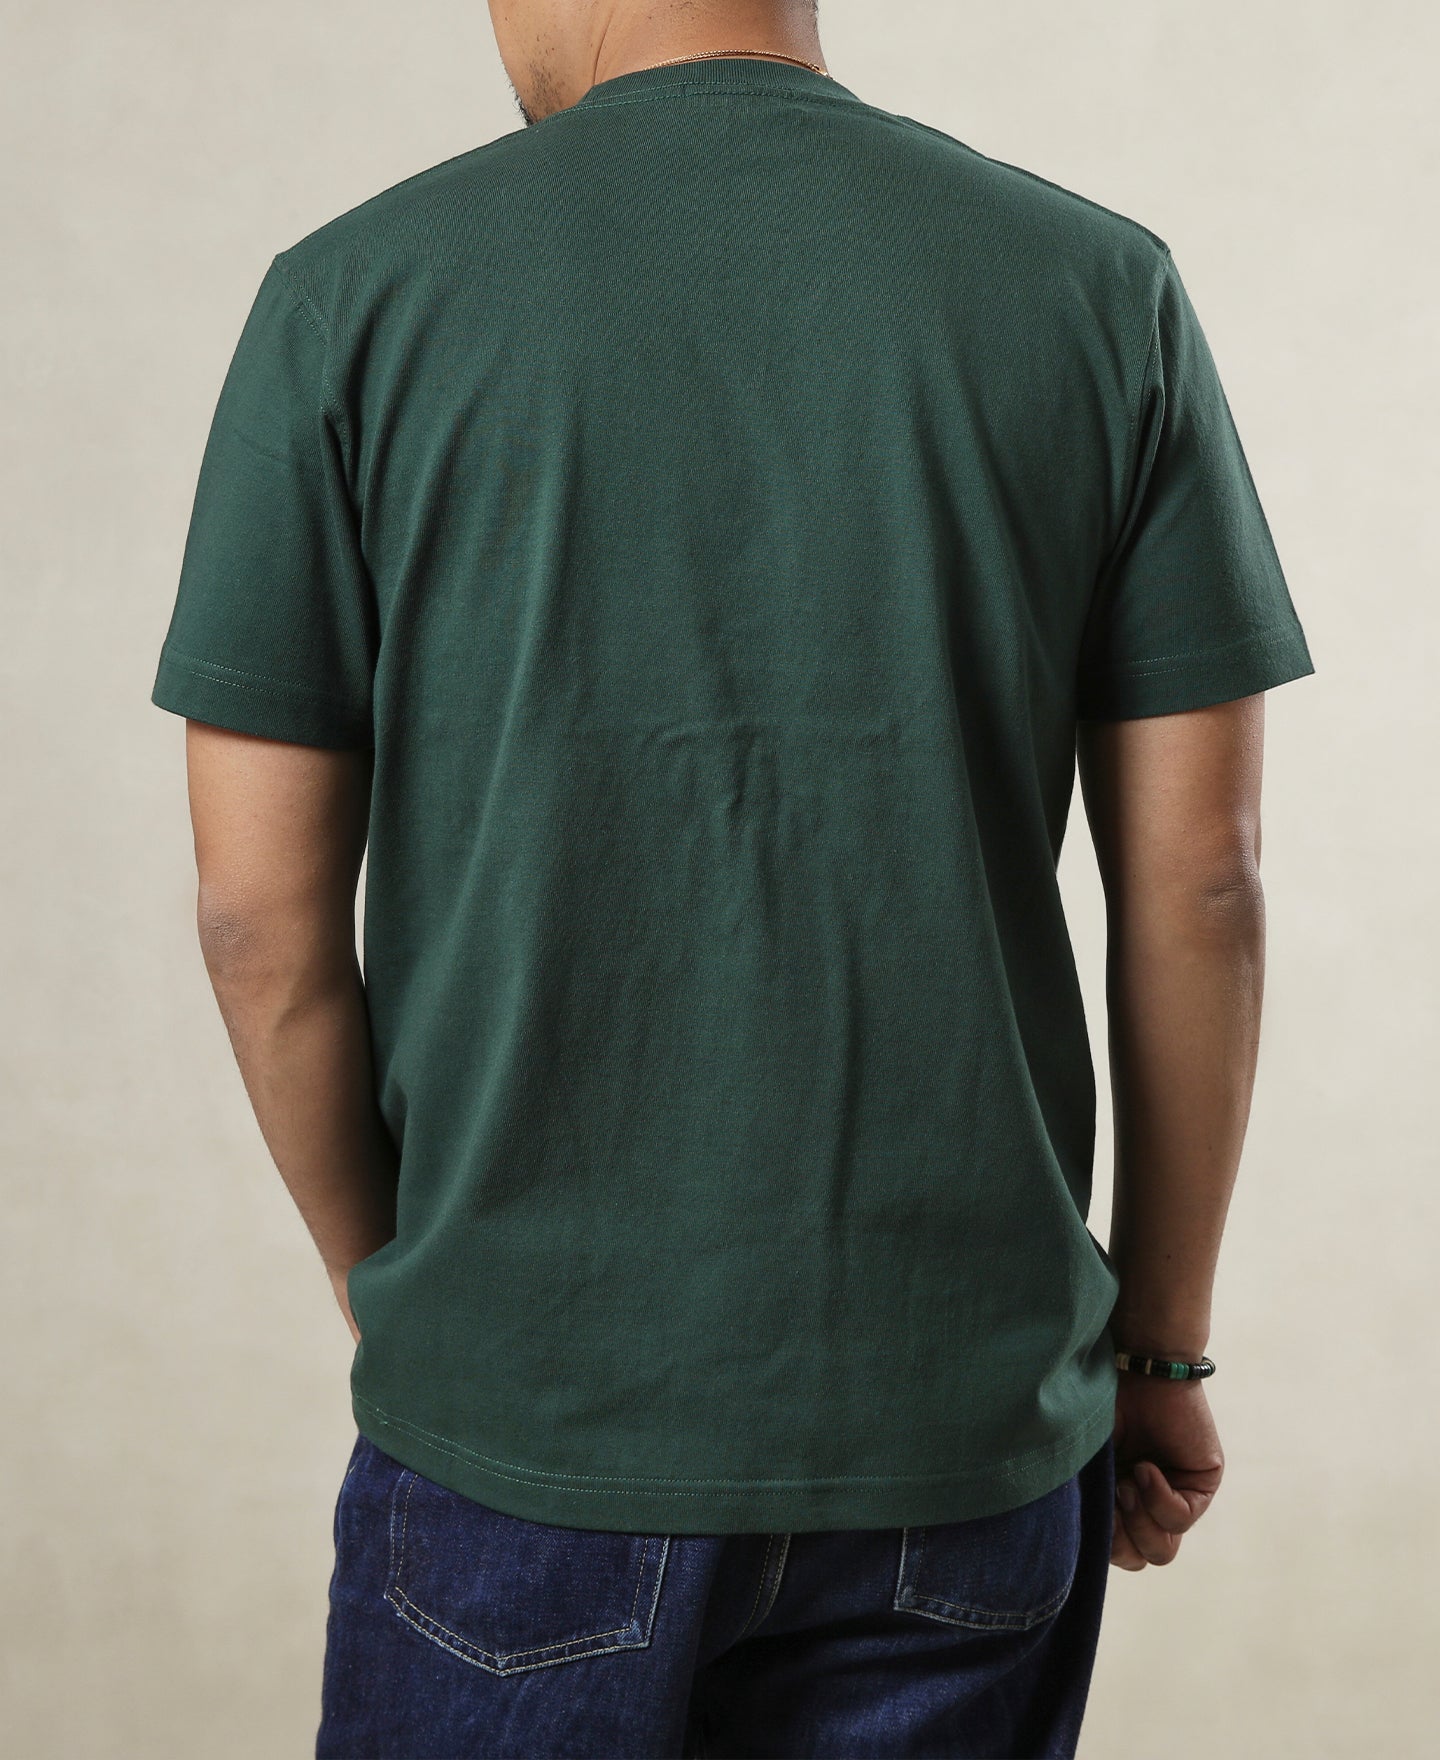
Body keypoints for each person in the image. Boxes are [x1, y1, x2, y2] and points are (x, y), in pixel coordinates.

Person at [150, 2, 1315, 1754]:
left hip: (527, 1416)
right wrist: (1159, 1346)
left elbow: (257, 920)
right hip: (963, 1435)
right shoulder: (1097, 286)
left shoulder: (350, 299)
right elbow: (1204, 883)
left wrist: (410, 1299)